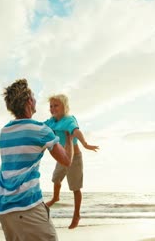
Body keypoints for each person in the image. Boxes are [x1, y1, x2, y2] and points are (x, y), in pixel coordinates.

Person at [0, 79, 74, 241]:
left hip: (2, 205)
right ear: (29, 101)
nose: (35, 100)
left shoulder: (5, 130)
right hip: (25, 204)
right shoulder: (41, 130)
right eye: (34, 96)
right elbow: (66, 161)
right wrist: (69, 136)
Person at [44, 94, 99, 229]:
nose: (52, 108)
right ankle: (56, 198)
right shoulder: (51, 122)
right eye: (51, 106)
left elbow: (76, 131)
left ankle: (76, 214)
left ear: (65, 107)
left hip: (75, 158)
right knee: (56, 179)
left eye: (56, 105)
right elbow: (39, 127)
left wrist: (85, 144)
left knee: (75, 188)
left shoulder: (68, 120)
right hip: (62, 156)